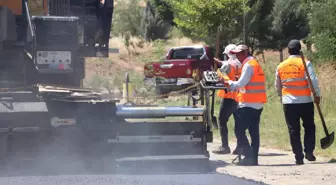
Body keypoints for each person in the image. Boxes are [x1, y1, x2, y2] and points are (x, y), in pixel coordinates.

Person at [275, 39, 320, 165]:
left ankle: (298, 156)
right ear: (300, 50)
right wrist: (317, 95)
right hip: (305, 101)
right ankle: (309, 151)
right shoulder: (305, 63)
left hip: (289, 103)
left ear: (288, 50)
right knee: (309, 127)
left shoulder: (281, 66)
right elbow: (313, 81)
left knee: (293, 130)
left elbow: (277, 86)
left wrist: (281, 96)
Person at [225, 44, 267, 166]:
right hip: (257, 103)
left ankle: (248, 157)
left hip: (248, 103)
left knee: (239, 130)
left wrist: (228, 82)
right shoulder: (255, 64)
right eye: (235, 54)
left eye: (238, 54)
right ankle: (253, 159)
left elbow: (241, 83)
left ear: (245, 53)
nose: (237, 56)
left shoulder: (248, 65)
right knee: (254, 132)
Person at [212, 44, 243, 155]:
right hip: (239, 97)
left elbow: (220, 78)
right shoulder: (242, 64)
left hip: (228, 97)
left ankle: (225, 146)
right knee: (239, 123)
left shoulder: (227, 65)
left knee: (222, 121)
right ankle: (240, 146)